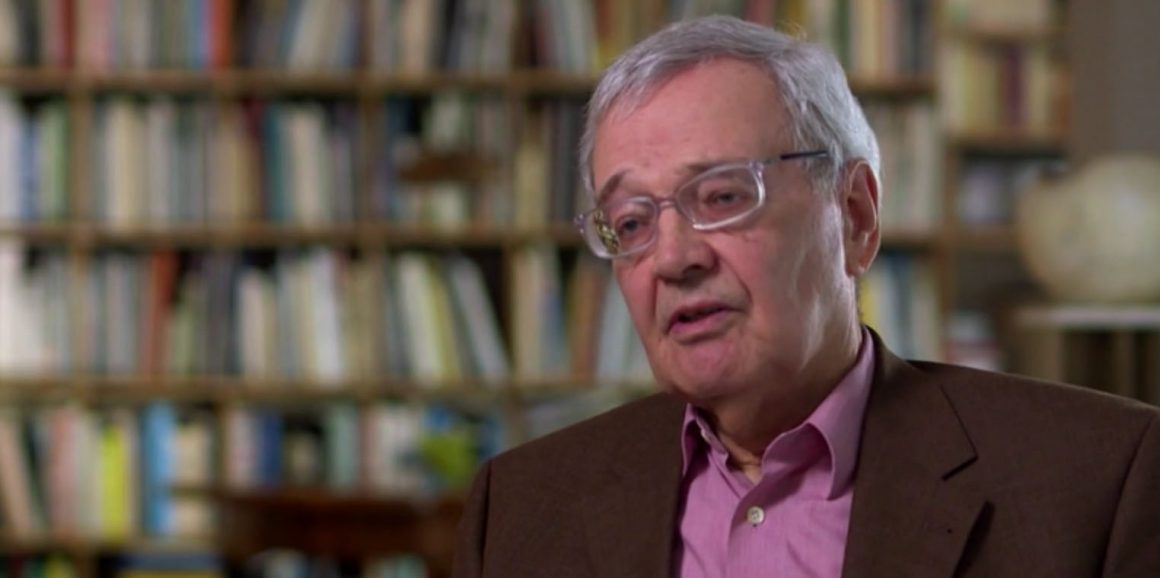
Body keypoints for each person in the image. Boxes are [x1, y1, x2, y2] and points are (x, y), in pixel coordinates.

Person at [452, 15, 1160, 578]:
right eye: (632, 222)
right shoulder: (520, 507)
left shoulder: (1097, 480)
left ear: (855, 216)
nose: (672, 258)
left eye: (722, 196)